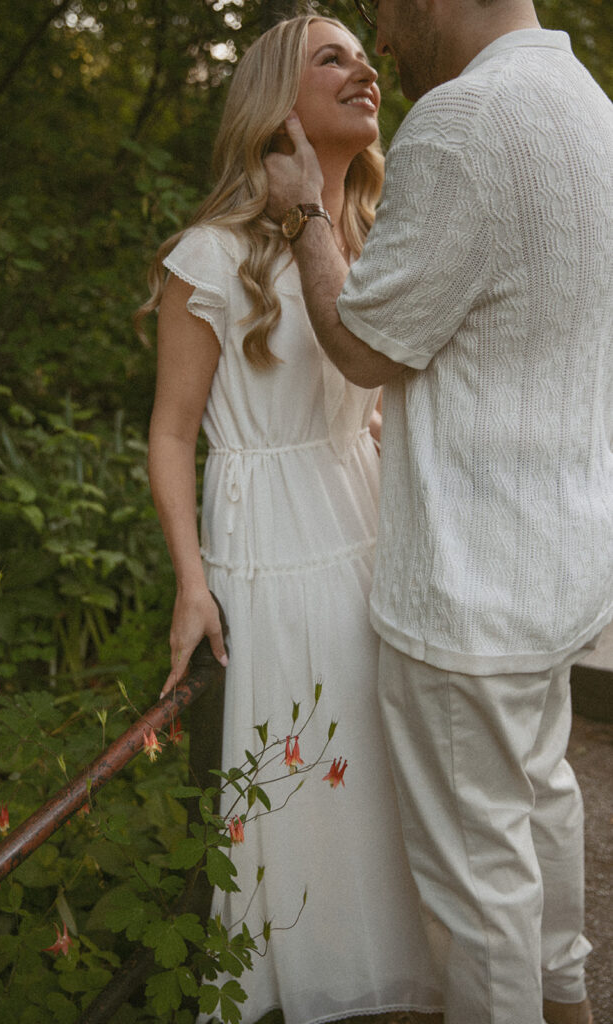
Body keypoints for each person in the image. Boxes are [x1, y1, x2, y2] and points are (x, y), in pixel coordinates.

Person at [264, 1, 613, 1023]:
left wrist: (303, 217)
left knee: (475, 887)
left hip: (467, 584)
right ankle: (564, 1004)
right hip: (554, 567)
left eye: (381, 11)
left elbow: (366, 345)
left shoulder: (463, 122)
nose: (384, 34)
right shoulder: (588, 108)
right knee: (537, 804)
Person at [139, 13, 445, 1024]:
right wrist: (192, 582)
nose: (364, 70)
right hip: (267, 542)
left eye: (365, 55)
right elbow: (173, 433)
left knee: (382, 794)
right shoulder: (209, 254)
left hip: (367, 532)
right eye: (332, 57)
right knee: (297, 791)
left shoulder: (366, 236)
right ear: (277, 101)